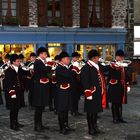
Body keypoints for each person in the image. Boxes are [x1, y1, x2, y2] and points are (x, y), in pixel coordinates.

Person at [81, 49, 106, 136]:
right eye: (97, 57)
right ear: (93, 58)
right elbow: (84, 81)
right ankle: (90, 128)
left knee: (95, 111)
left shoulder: (96, 65)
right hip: (91, 93)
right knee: (90, 111)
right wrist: (88, 93)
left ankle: (95, 127)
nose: (98, 59)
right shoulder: (86, 67)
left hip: (97, 93)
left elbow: (104, 70)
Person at [32, 47, 53, 132]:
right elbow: (47, 70)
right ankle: (37, 126)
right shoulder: (38, 62)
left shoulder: (41, 61)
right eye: (45, 54)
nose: (46, 55)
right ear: (40, 54)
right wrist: (50, 63)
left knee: (41, 107)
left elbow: (46, 72)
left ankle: (40, 124)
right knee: (38, 108)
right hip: (39, 88)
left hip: (42, 87)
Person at [108, 50, 130, 124]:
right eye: (119, 57)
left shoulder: (124, 65)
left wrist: (128, 84)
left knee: (120, 102)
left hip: (121, 86)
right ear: (116, 57)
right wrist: (116, 66)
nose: (120, 58)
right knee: (114, 102)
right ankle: (115, 118)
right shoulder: (112, 64)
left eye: (122, 57)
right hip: (114, 86)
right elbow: (110, 72)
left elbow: (126, 75)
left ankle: (120, 117)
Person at [4, 54, 25, 131]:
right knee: (13, 109)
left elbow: (25, 73)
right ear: (13, 62)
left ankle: (16, 122)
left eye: (20, 61)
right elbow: (8, 84)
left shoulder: (19, 68)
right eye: (18, 61)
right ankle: (12, 124)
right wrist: (12, 94)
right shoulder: (8, 70)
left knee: (17, 107)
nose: (19, 62)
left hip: (18, 91)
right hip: (11, 92)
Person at [56, 52, 75, 135]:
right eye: (67, 59)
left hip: (67, 90)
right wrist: (74, 70)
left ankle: (66, 125)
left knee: (66, 109)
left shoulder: (66, 67)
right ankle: (61, 128)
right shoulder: (59, 67)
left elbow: (71, 78)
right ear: (62, 59)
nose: (69, 60)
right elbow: (69, 76)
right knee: (61, 109)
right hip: (61, 91)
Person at [70, 52, 83, 116]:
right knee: (73, 98)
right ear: (73, 57)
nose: (77, 58)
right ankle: (73, 111)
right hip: (72, 84)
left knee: (77, 98)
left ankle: (76, 110)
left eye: (78, 57)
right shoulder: (70, 64)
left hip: (78, 84)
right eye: (76, 57)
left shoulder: (79, 64)